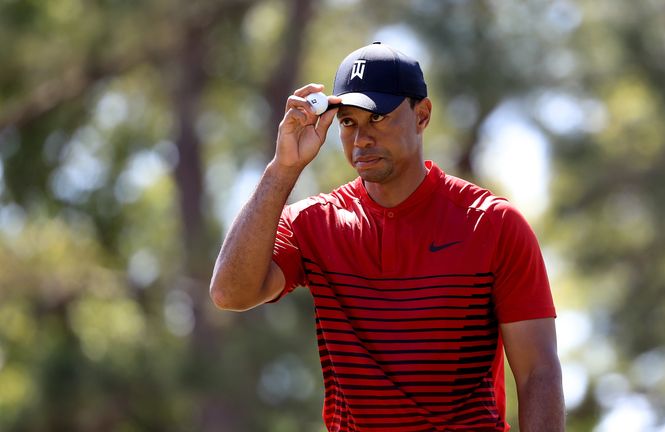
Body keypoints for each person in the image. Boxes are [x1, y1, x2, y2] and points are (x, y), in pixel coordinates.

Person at [210, 42, 564, 432]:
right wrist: (282, 170)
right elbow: (231, 293)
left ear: (422, 115)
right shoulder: (313, 223)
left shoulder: (493, 224)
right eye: (348, 122)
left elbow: (538, 374)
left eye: (377, 117)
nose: (361, 138)